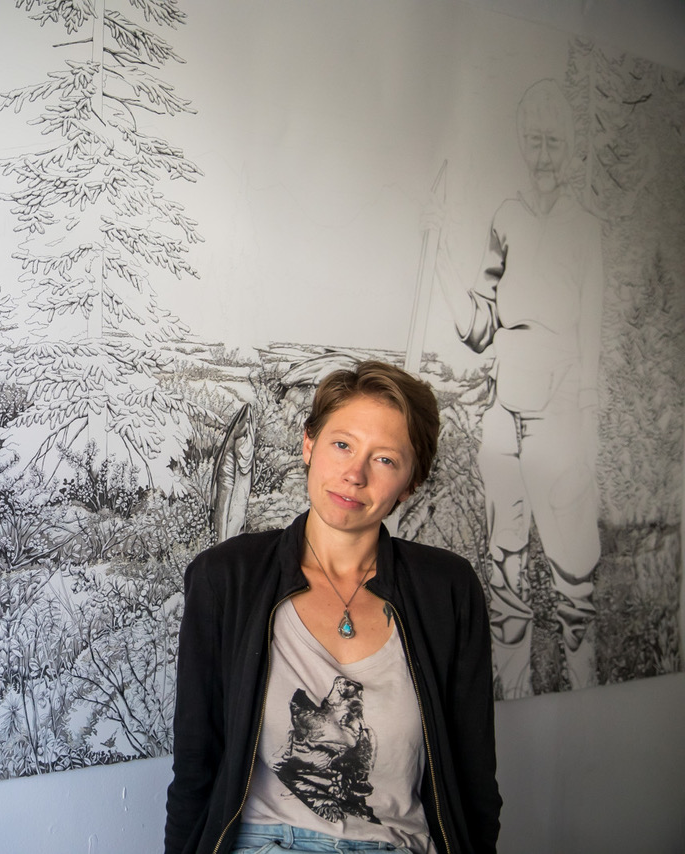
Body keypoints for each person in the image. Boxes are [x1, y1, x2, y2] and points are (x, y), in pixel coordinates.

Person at [165, 361, 500, 854]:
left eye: (384, 459)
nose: (354, 475)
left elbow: (474, 779)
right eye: (342, 445)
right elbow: (195, 763)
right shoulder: (227, 578)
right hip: (266, 842)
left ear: (410, 483)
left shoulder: (447, 591)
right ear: (309, 444)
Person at [437, 78, 604, 698]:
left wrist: (585, 420)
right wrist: (447, 269)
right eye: (533, 141)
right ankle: (514, 699)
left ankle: (587, 693)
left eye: (554, 142)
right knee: (504, 568)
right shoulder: (505, 218)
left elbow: (591, 332)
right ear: (521, 145)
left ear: (571, 148)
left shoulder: (587, 228)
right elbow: (479, 327)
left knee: (573, 571)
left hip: (560, 412)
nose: (542, 155)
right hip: (504, 416)